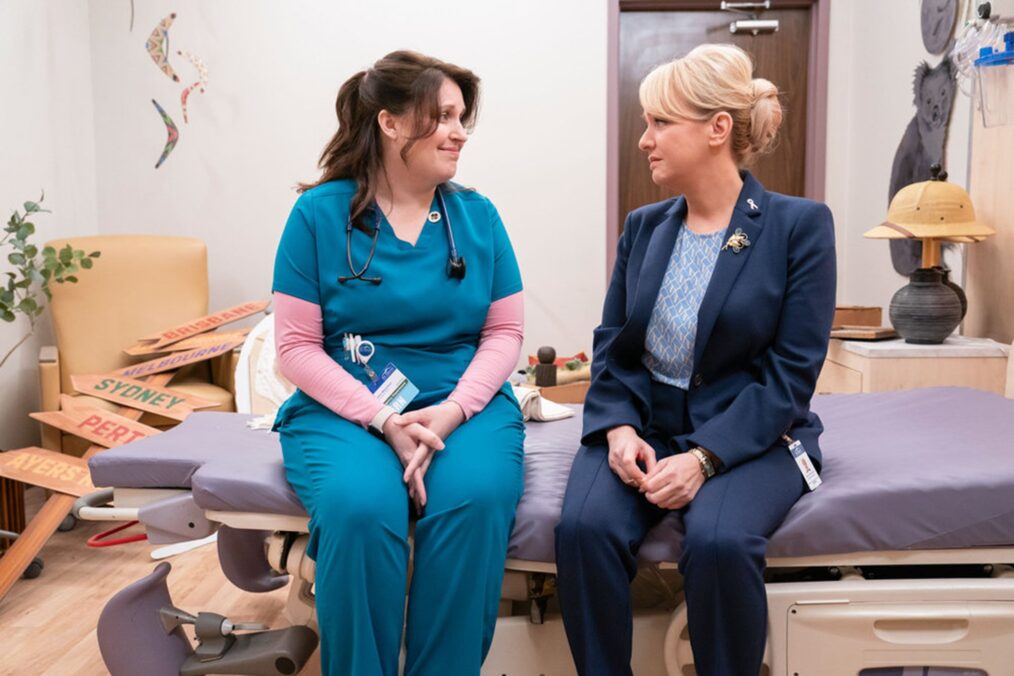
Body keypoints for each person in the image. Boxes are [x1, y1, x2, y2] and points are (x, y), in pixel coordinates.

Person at [554, 43, 837, 676]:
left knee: (717, 541)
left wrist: (705, 458)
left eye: (659, 123)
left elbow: (791, 375)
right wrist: (619, 429)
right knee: (582, 530)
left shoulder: (799, 227)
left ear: (717, 130)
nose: (644, 140)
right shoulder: (645, 227)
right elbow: (614, 346)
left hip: (752, 435)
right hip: (646, 424)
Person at [270, 50, 525, 676]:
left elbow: (505, 331)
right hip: (346, 409)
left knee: (474, 498)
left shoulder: (478, 216)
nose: (459, 131)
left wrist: (455, 411)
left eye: (462, 117)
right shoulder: (319, 215)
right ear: (389, 123)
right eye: (441, 116)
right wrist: (383, 419)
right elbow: (296, 348)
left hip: (463, 406)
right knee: (359, 507)